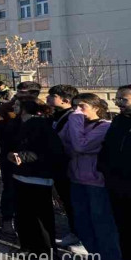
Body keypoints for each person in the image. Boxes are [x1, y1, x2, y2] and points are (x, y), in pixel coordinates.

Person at [60, 93, 123, 260]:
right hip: (76, 179)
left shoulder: (104, 127)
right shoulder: (76, 123)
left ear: (96, 108)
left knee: (102, 224)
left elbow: (80, 146)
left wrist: (75, 119)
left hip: (96, 183)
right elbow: (63, 143)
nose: (77, 111)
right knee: (83, 223)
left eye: (82, 106)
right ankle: (96, 257)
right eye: (75, 107)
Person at [6, 98, 63, 257]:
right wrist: (10, 154)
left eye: (18, 105)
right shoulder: (17, 123)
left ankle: (48, 252)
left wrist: (24, 156)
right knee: (23, 214)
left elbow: (51, 151)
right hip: (19, 175)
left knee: (41, 217)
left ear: (25, 108)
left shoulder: (41, 125)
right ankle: (27, 246)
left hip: (37, 176)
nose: (14, 107)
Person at [99, 85, 131, 260]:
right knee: (124, 231)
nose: (118, 104)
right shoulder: (119, 121)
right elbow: (107, 147)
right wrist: (104, 169)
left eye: (124, 100)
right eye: (117, 100)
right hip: (117, 186)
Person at [46, 84, 81, 247]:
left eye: (52, 95)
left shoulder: (73, 117)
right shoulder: (56, 115)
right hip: (59, 166)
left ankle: (80, 234)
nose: (47, 98)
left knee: (73, 202)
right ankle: (74, 231)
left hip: (71, 167)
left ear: (66, 100)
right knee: (67, 202)